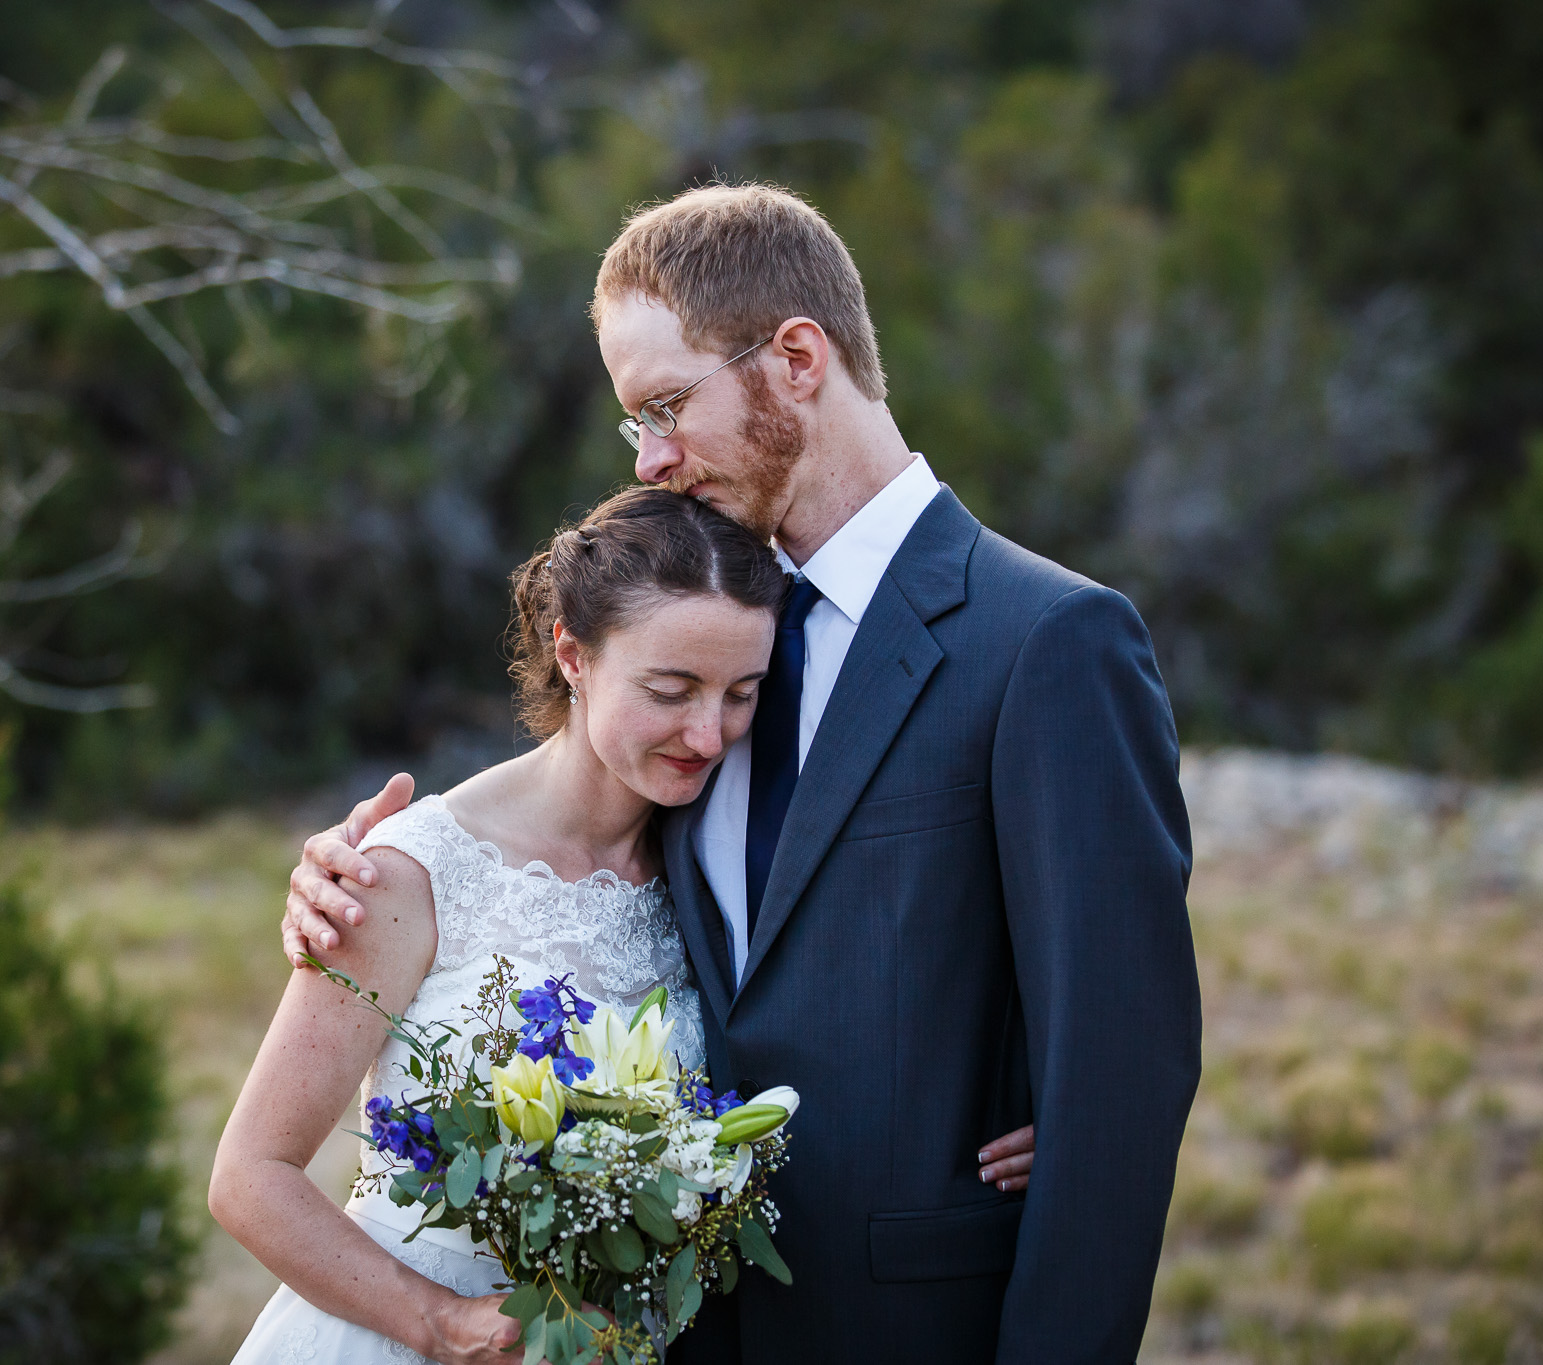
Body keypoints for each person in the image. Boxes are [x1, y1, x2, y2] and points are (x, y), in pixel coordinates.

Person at [285, 184, 1198, 1361]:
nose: (653, 460)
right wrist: (353, 887)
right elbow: (553, 847)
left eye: (666, 406)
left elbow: (1119, 1068)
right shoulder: (712, 649)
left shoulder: (1047, 643)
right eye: (634, 427)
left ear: (798, 359)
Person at [212, 487, 1039, 1365]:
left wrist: (1033, 1108)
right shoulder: (407, 869)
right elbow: (250, 1178)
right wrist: (436, 1321)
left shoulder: (712, 868)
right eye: (671, 689)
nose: (708, 733)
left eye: (741, 693)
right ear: (572, 653)